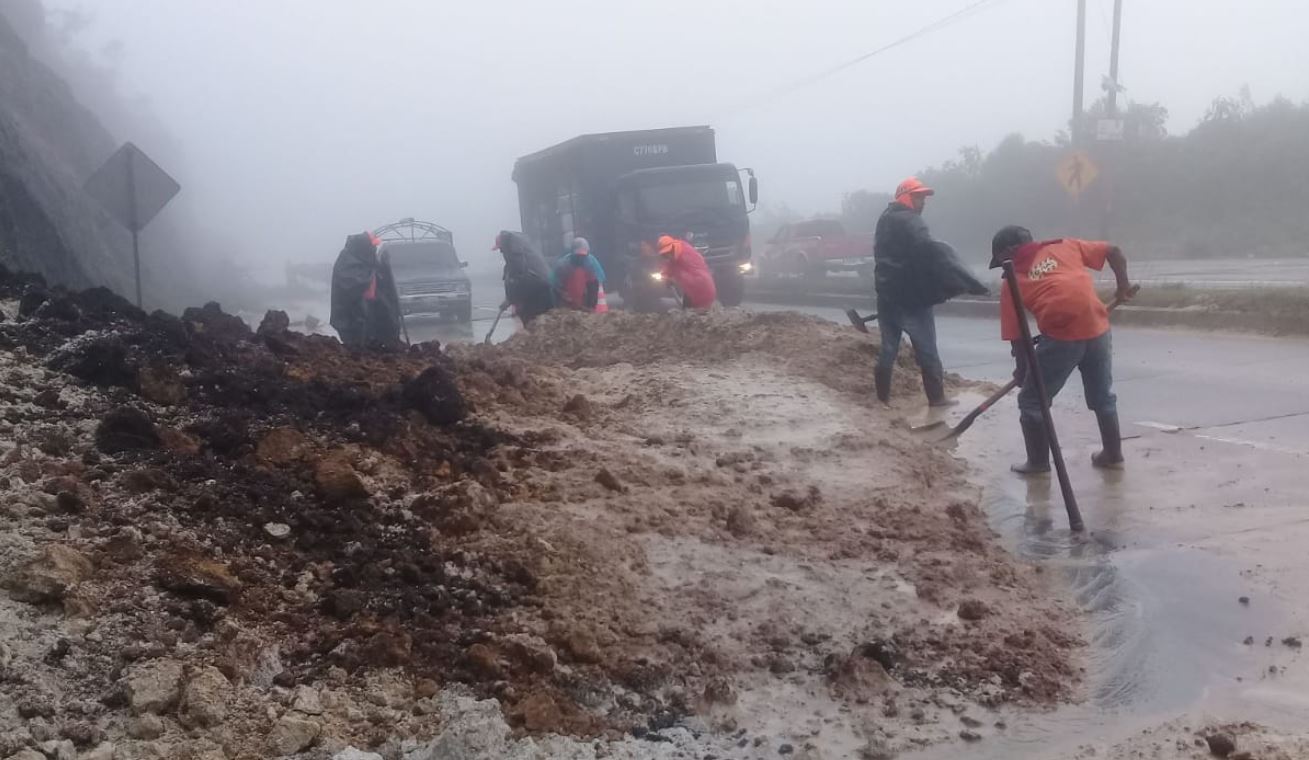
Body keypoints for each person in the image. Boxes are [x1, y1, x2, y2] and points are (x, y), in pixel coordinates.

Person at [989, 225, 1135, 474]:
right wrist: (1123, 286)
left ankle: (1038, 463)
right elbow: (1114, 250)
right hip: (1098, 329)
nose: (1002, 265)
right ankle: (1113, 454)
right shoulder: (1065, 245)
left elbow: (1019, 338)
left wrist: (1023, 372)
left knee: (1031, 401)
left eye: (1001, 259)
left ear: (1010, 251)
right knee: (1103, 396)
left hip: (1062, 338)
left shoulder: (1012, 280)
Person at [873, 178, 987, 407]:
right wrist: (965, 280)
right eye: (918, 197)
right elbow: (930, 252)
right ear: (906, 197)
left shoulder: (884, 219)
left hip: (886, 297)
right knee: (927, 349)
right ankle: (936, 398)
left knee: (888, 349)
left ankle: (881, 400)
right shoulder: (912, 222)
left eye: (923, 198)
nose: (922, 202)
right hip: (912, 299)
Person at [330, 231, 402, 348]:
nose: (374, 248)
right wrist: (372, 273)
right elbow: (354, 284)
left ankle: (386, 342)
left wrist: (384, 267)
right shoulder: (348, 261)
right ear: (364, 246)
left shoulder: (367, 260)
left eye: (375, 246)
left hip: (373, 316)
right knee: (358, 341)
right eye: (372, 245)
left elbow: (381, 284)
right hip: (353, 318)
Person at [493, 230, 554, 325]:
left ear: (505, 246)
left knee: (530, 317)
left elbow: (518, 277)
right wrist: (509, 298)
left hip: (539, 291)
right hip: (541, 288)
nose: (501, 252)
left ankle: (534, 336)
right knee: (533, 318)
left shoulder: (516, 257)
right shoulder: (523, 252)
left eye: (501, 248)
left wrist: (511, 299)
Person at [655, 234, 716, 309]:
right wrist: (666, 276)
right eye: (665, 254)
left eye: (668, 252)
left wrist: (672, 278)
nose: (667, 255)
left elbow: (696, 279)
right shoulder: (675, 255)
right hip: (691, 291)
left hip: (701, 290)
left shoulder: (686, 256)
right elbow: (669, 265)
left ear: (673, 247)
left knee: (696, 313)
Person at [550, 237, 608, 313]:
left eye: (583, 256)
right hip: (566, 306)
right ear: (573, 254)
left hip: (582, 303)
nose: (580, 258)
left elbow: (594, 286)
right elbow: (556, 287)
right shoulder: (563, 266)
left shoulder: (590, 264)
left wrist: (591, 306)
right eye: (578, 256)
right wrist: (567, 300)